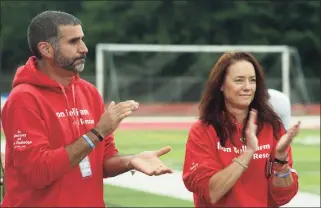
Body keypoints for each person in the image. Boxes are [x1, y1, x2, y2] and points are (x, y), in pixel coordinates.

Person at [1, 11, 173, 207]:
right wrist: (98, 133)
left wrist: (131, 161)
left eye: (82, 39)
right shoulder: (24, 99)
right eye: (73, 42)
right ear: (46, 49)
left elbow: (103, 161)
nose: (84, 48)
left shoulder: (89, 92)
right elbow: (39, 174)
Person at [182, 52, 300, 207]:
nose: (248, 87)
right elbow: (212, 192)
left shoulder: (272, 127)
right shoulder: (203, 131)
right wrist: (248, 153)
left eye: (252, 80)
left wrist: (280, 160)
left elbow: (280, 198)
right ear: (221, 85)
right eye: (239, 80)